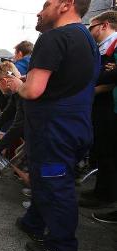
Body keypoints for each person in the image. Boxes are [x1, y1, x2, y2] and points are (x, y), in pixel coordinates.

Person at [12, 0, 99, 251]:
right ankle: (34, 222)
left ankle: (63, 246)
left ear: (66, 4)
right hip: (75, 125)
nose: (39, 11)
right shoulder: (87, 39)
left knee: (56, 183)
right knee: (45, 178)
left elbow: (33, 90)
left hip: (54, 129)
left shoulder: (54, 38)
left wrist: (17, 84)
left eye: (46, 4)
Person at [79, 10, 117, 210]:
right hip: (100, 105)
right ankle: (101, 190)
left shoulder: (113, 45)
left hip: (109, 107)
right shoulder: (102, 48)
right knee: (102, 150)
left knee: (108, 152)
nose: (89, 30)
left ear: (104, 25)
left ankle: (105, 195)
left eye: (91, 26)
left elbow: (109, 79)